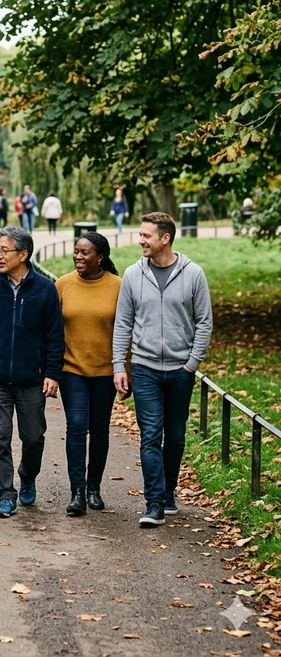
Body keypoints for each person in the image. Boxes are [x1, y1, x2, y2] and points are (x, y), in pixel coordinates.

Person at [113, 212, 213, 528]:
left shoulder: (193, 274)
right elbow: (123, 323)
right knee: (150, 436)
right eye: (140, 235)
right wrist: (120, 365)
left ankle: (169, 492)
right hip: (144, 369)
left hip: (181, 370)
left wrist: (191, 364)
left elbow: (204, 322)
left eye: (146, 235)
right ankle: (154, 502)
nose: (141, 240)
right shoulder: (132, 274)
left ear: (165, 238)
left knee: (177, 435)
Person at [0, 226, 64, 518]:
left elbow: (54, 336)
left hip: (32, 378)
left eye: (3, 250)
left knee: (33, 437)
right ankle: (6, 494)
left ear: (23, 254)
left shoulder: (45, 289)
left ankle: (28, 475)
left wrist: (52, 373)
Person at [55, 233, 123, 516]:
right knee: (76, 426)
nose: (78, 257)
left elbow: (126, 330)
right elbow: (51, 330)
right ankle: (77, 492)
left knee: (99, 429)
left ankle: (94, 487)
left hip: (106, 370)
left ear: (100, 257)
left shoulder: (118, 286)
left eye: (85, 253)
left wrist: (125, 370)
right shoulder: (63, 284)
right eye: (76, 251)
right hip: (71, 369)